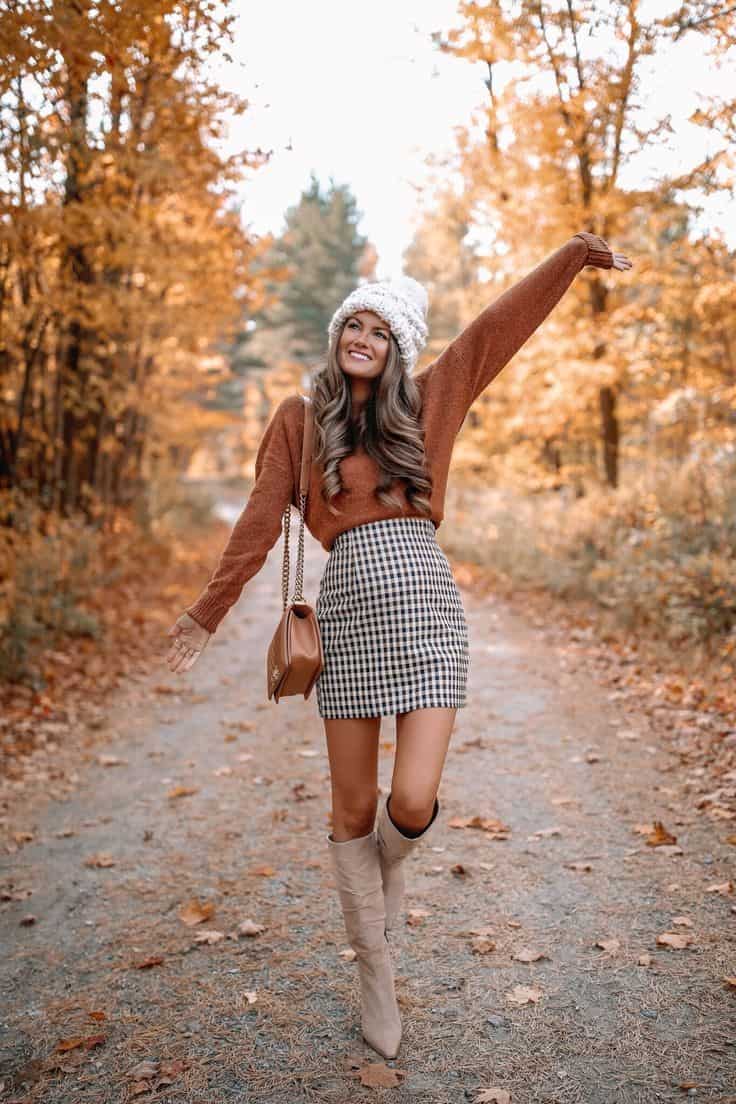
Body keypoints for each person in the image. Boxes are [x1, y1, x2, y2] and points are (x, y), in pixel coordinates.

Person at [166, 229, 633, 1059]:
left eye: (381, 331)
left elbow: (496, 330)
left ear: (399, 350)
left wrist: (568, 257)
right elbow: (257, 519)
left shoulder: (427, 405)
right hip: (346, 617)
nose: (363, 338)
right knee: (352, 807)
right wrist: (209, 610)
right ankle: (375, 969)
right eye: (355, 324)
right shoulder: (300, 422)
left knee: (410, 802)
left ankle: (384, 874)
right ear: (338, 333)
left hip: (427, 607)